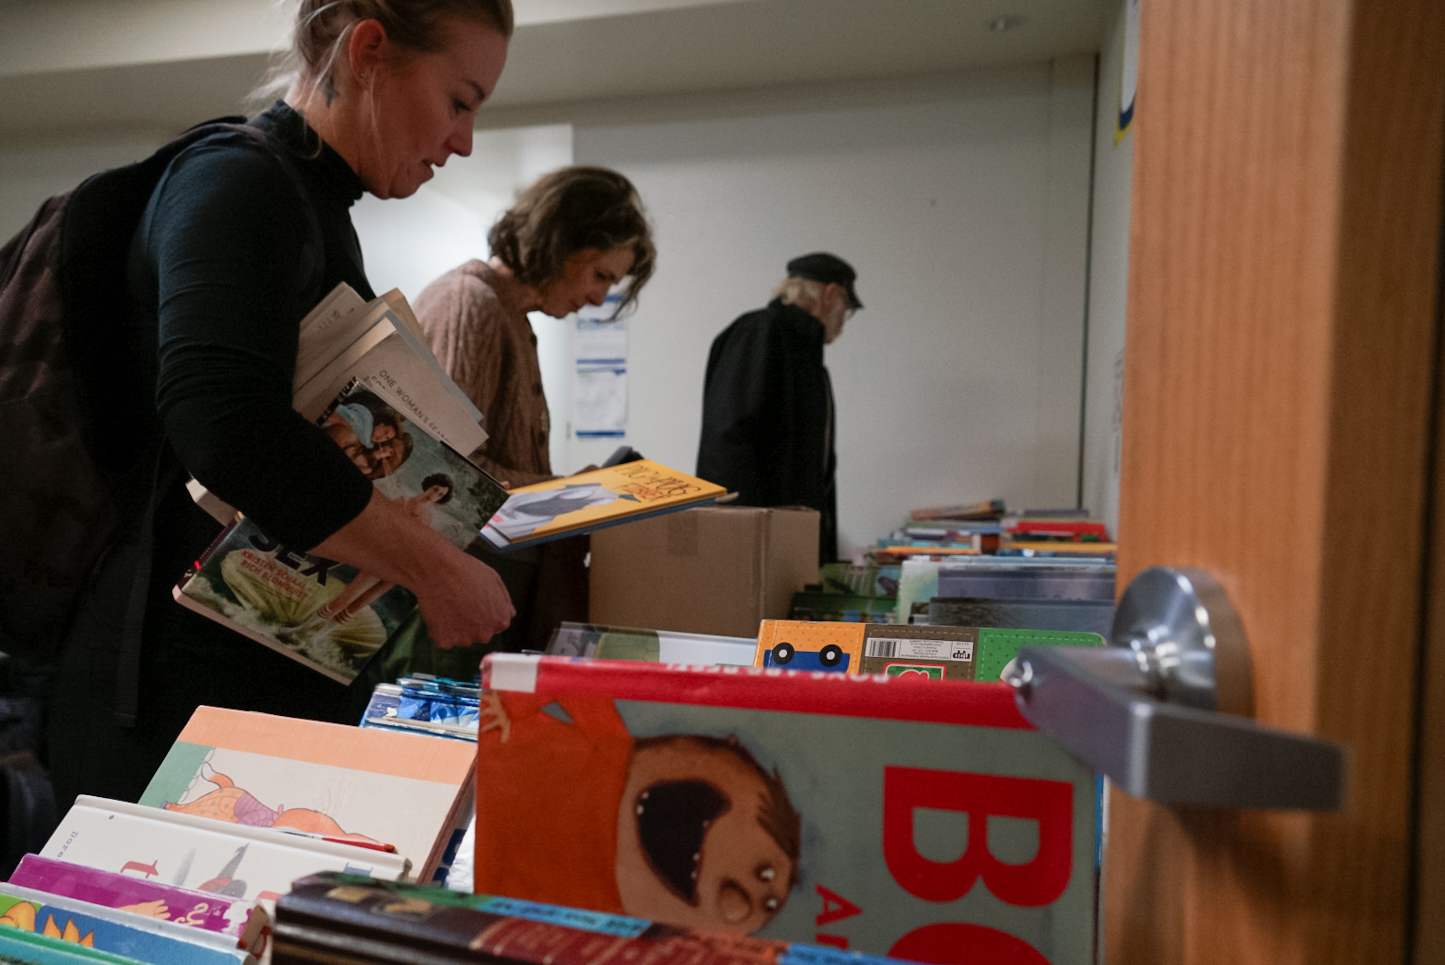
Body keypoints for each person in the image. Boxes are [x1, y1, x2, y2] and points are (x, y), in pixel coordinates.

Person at [45, 0, 518, 808]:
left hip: (236, 680)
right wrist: (438, 571)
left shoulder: (307, 201)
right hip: (165, 703)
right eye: (459, 100)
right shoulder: (240, 182)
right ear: (369, 49)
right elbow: (227, 428)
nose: (463, 139)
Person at [412, 166, 656, 653]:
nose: (598, 297)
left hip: (490, 582)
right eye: (600, 275)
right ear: (559, 244)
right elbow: (447, 474)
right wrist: (572, 492)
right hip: (464, 592)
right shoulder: (472, 303)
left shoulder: (512, 315)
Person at [695, 252, 862, 564]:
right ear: (830, 295)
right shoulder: (761, 332)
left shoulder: (808, 360)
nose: (843, 321)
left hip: (787, 546)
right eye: (847, 308)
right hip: (752, 549)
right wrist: (740, 544)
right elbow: (729, 442)